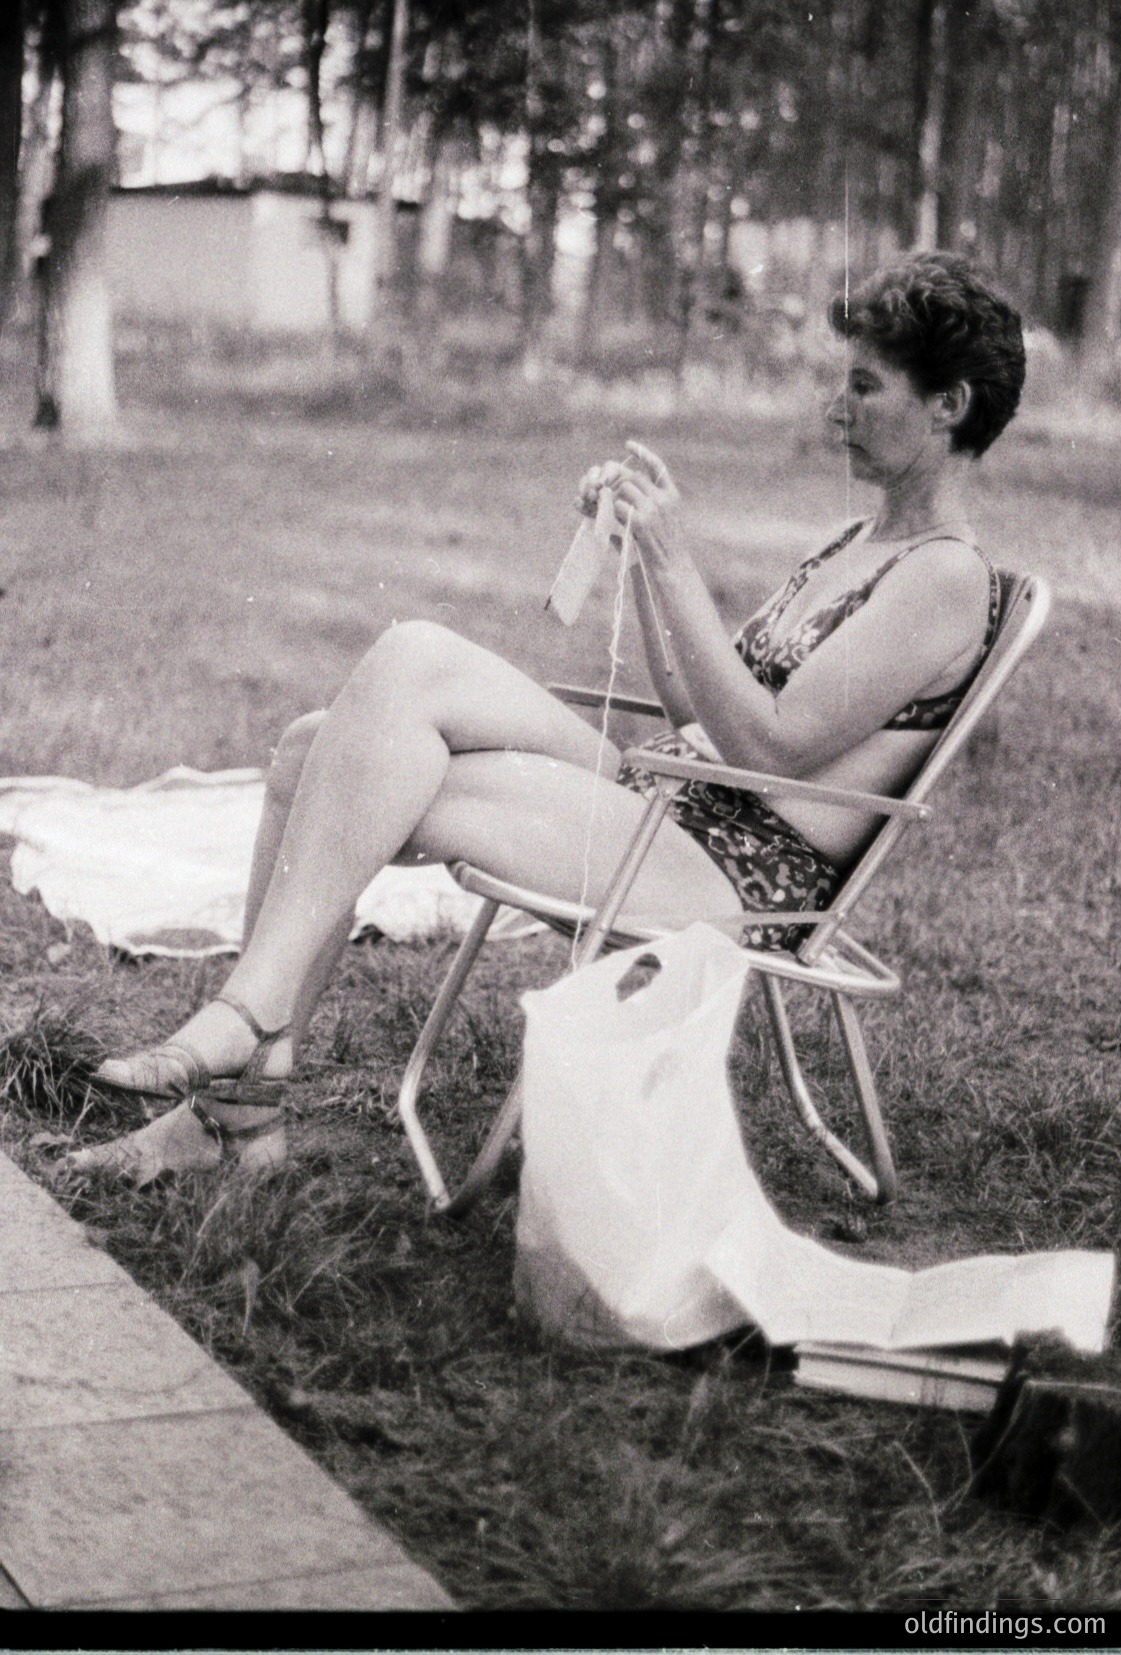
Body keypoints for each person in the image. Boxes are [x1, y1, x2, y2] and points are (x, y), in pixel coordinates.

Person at [69, 250, 1025, 1184]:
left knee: (337, 764)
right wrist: (642, 564)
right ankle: (246, 1066)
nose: (834, 409)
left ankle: (242, 1063)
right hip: (672, 795)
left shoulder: (943, 575)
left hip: (730, 868)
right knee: (336, 724)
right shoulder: (853, 541)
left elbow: (771, 745)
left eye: (866, 388)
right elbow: (704, 705)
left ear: (949, 407)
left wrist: (676, 558)